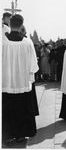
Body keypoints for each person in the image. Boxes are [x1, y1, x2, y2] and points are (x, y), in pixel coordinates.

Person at [2, 14, 38, 145]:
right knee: (22, 109)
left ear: (10, 25)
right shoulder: (27, 43)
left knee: (7, 110)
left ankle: (7, 135)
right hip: (22, 84)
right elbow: (34, 66)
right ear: (21, 25)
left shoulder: (2, 42)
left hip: (6, 84)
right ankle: (21, 135)